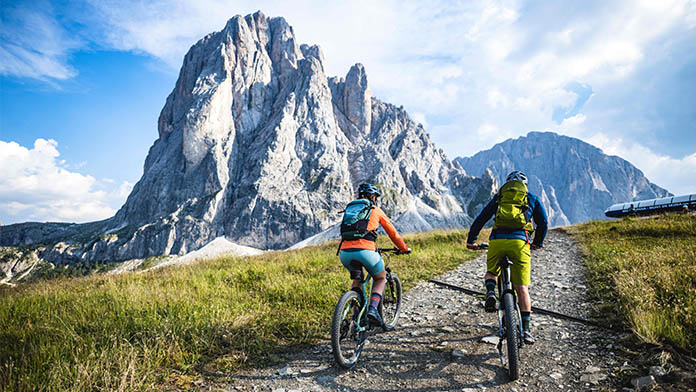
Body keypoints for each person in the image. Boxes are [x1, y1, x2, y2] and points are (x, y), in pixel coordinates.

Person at [466, 171, 548, 344]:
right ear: (524, 185)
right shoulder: (531, 198)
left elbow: (481, 218)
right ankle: (526, 330)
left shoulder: (499, 197)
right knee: (522, 288)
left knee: (491, 273)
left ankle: (490, 292)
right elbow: (543, 222)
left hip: (498, 240)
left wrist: (471, 240)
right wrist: (538, 242)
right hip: (520, 243)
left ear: (508, 183)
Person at [338, 183, 411, 327]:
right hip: (366, 252)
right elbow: (393, 233)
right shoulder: (375, 210)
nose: (375, 200)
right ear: (372, 197)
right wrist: (403, 248)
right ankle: (372, 310)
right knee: (380, 278)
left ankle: (354, 316)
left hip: (344, 253)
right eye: (375, 197)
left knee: (357, 280)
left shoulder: (351, 209)